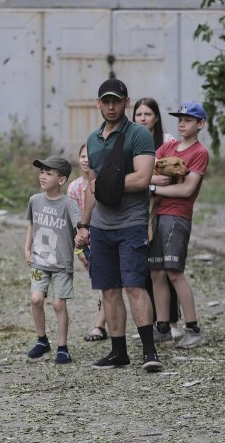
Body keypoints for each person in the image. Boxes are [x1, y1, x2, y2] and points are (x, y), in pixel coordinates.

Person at [75, 78, 163, 372]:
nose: (111, 106)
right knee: (108, 290)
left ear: (126, 102)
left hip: (131, 223)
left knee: (134, 285)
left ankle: (149, 351)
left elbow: (142, 178)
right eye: (106, 101)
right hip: (101, 226)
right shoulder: (93, 139)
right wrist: (84, 225)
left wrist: (108, 184)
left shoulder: (138, 134)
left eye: (117, 100)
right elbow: (91, 187)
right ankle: (118, 352)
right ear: (98, 103)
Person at [148, 101, 210, 349]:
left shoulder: (199, 153)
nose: (182, 123)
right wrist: (152, 181)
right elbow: (146, 171)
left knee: (174, 272)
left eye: (188, 119)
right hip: (156, 216)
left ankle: (193, 328)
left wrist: (154, 187)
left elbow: (186, 189)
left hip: (177, 216)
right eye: (180, 119)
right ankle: (162, 327)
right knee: (156, 272)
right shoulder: (169, 146)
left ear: (200, 124)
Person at [24, 155, 82, 364]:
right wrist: (27, 248)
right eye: (42, 172)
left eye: (49, 173)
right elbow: (31, 224)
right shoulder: (34, 200)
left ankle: (62, 347)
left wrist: (82, 240)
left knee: (58, 304)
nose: (43, 176)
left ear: (61, 180)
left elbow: (80, 229)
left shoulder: (69, 204)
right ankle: (42, 341)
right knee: (36, 298)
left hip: (61, 264)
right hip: (40, 260)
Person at [132, 98, 181, 344]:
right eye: (138, 114)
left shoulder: (167, 142)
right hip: (138, 211)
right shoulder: (129, 141)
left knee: (165, 269)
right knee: (145, 271)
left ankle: (170, 322)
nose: (142, 118)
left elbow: (173, 175)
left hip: (164, 211)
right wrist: (151, 182)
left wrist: (152, 183)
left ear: (156, 117)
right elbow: (135, 177)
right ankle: (150, 324)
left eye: (147, 114)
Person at [67, 144, 108, 342]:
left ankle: (99, 326)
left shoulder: (102, 183)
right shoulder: (74, 188)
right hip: (85, 243)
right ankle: (104, 318)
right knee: (100, 283)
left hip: (104, 238)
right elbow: (72, 222)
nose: (85, 160)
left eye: (89, 156)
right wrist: (78, 250)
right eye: (82, 156)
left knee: (108, 284)